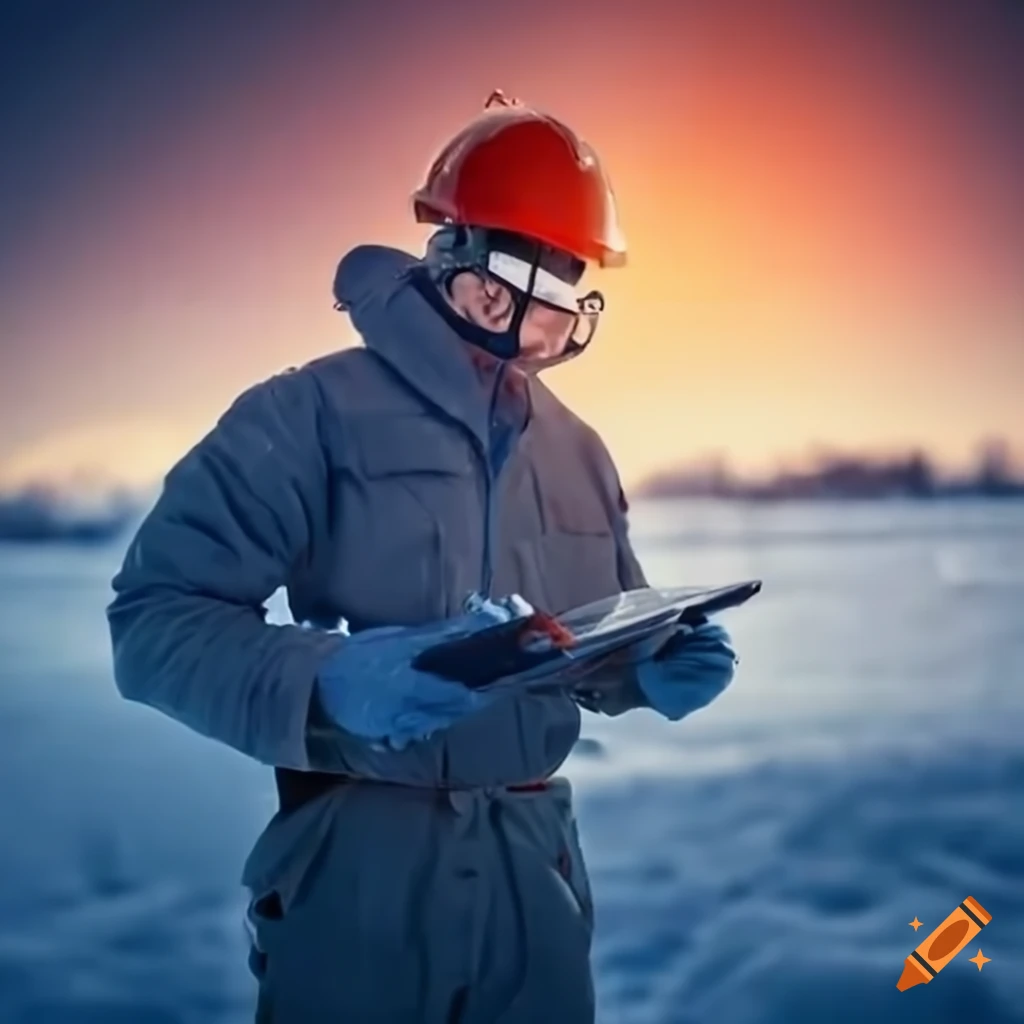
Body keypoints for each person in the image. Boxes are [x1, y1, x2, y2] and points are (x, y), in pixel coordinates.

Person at [106, 91, 739, 1023]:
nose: (538, 334)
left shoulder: (578, 451)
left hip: (537, 873)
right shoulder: (308, 415)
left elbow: (585, 641)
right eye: (521, 294)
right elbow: (154, 620)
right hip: (357, 871)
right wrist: (328, 683)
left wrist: (646, 664)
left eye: (564, 306)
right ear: (462, 263)